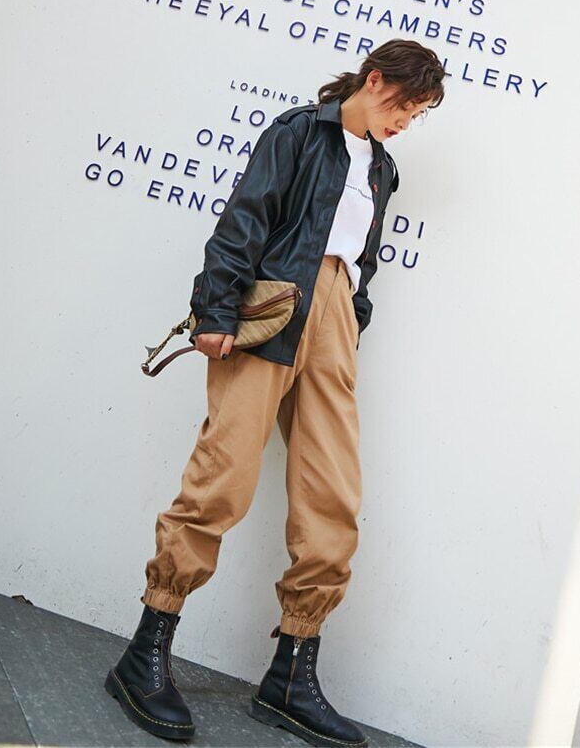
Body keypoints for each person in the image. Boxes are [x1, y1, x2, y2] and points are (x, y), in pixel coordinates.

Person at [105, 38, 446, 746]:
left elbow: (361, 260)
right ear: (373, 80)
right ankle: (144, 654)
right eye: (404, 105)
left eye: (417, 114)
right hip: (270, 310)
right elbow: (245, 219)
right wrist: (215, 310)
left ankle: (290, 675)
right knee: (222, 478)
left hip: (332, 321)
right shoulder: (300, 133)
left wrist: (351, 319)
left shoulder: (382, 167)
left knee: (332, 496)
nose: (406, 121)